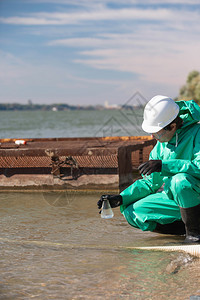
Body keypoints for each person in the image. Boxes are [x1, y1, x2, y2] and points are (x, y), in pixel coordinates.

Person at [97, 95, 200, 244]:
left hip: (193, 193)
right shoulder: (159, 148)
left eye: (156, 131)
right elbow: (151, 184)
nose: (152, 135)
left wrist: (164, 165)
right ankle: (184, 233)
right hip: (182, 199)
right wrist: (121, 198)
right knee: (133, 211)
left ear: (172, 126)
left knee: (179, 181)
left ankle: (194, 236)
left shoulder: (197, 133)